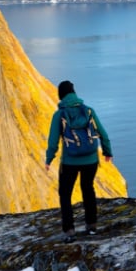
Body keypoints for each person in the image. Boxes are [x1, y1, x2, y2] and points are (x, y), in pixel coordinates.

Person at [44, 79, 113, 242]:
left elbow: (53, 140)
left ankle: (69, 231)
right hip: (90, 159)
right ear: (74, 93)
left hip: (70, 161)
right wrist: (107, 151)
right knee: (88, 189)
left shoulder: (60, 115)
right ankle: (92, 227)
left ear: (61, 95)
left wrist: (49, 159)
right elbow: (102, 132)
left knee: (65, 194)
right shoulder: (88, 111)